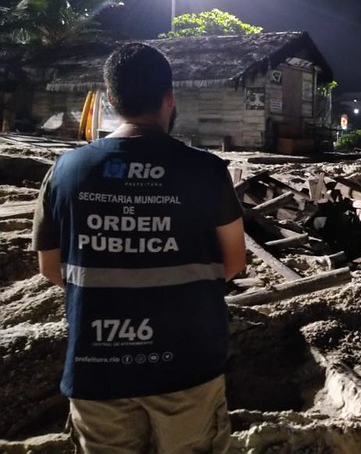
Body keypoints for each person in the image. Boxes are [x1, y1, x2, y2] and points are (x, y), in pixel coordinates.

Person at [32, 42, 247, 453]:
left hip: (97, 369)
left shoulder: (67, 170)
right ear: (170, 99)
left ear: (111, 100)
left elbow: (51, 268)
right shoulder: (207, 170)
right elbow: (233, 262)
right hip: (188, 367)